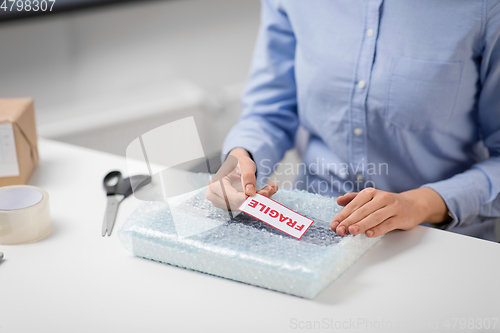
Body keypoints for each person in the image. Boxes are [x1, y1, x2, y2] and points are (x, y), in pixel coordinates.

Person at [206, 0, 500, 241]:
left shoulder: (484, 8)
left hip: (440, 240)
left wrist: (419, 203)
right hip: (313, 229)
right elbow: (269, 111)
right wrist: (243, 160)